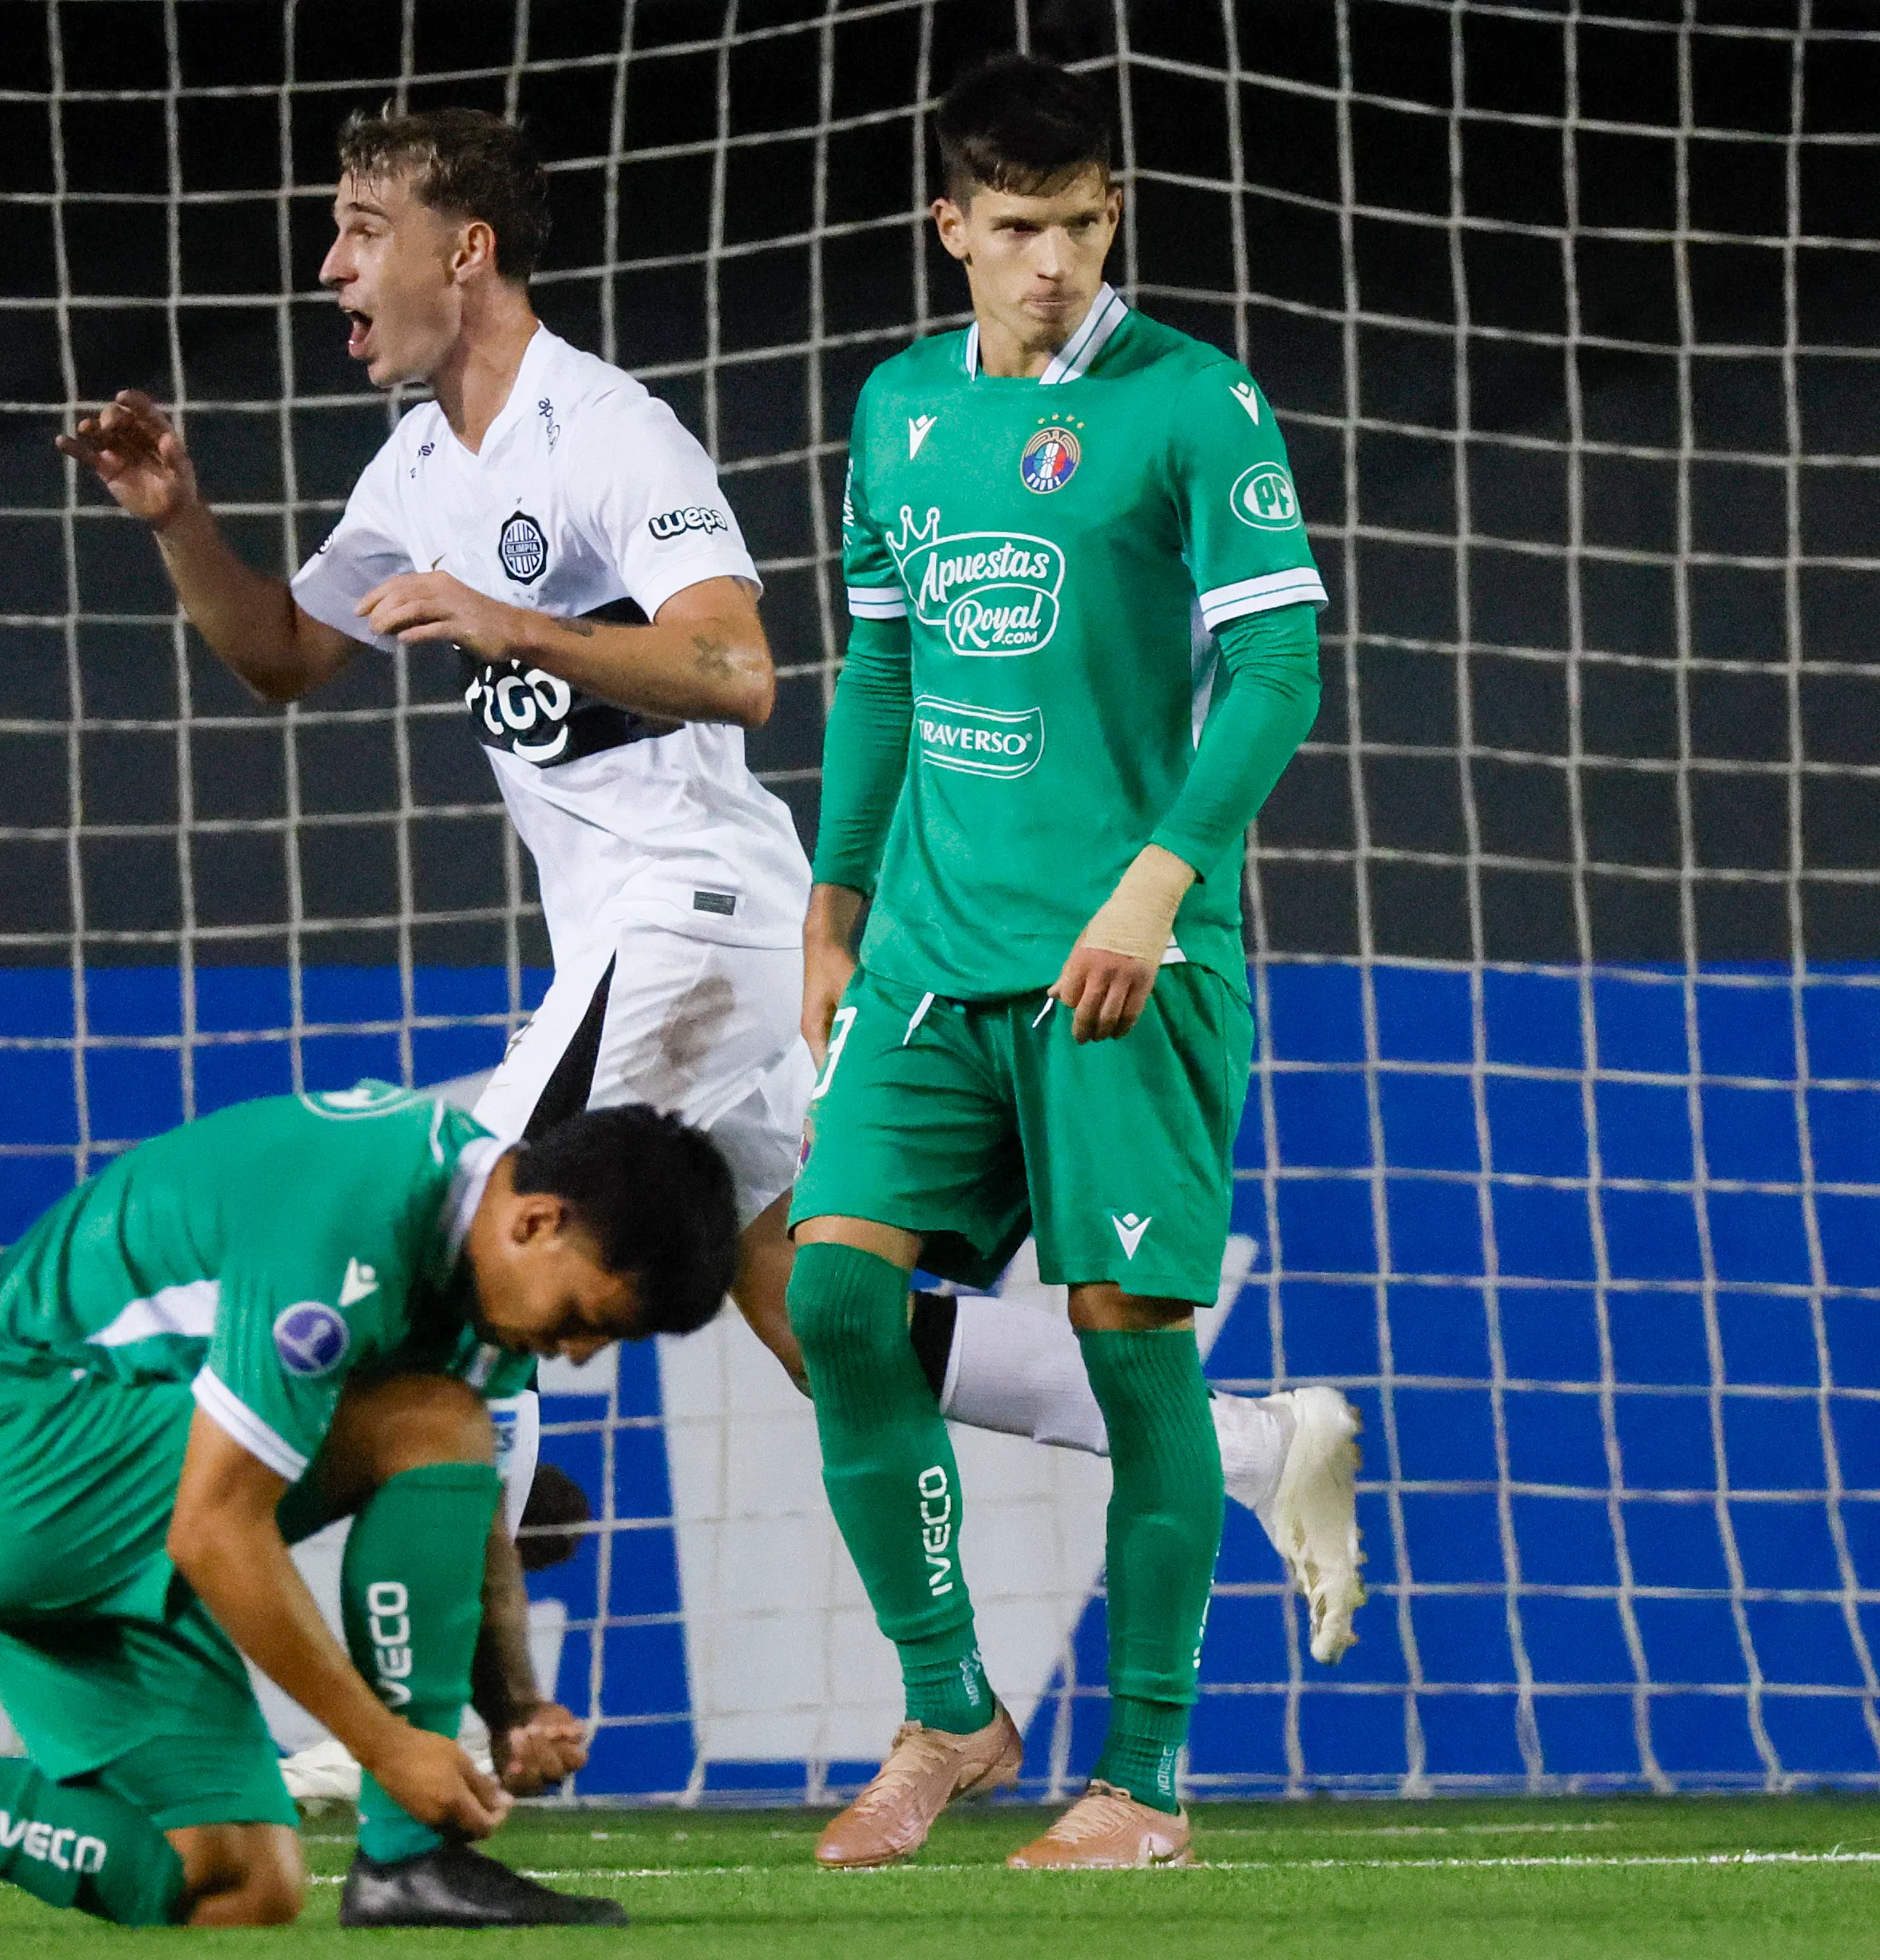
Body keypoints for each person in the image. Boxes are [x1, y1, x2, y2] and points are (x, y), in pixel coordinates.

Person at [56, 97, 1360, 1812]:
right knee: (826, 1318)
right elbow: (285, 655)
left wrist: (521, 624)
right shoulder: (418, 466)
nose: (329, 266)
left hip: (691, 917)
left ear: (464, 251)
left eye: (357, 226)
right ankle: (1264, 1445)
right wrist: (174, 519)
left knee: (470, 1233)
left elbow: (741, 672)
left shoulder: (606, 435)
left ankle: (433, 1716)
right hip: (671, 936)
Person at [790, 53, 1335, 1871]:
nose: (1055, 263)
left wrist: (1158, 883)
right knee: (839, 1300)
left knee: (1132, 1357)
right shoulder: (896, 414)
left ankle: (1144, 1784)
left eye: (1084, 225)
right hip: (935, 958)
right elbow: (878, 671)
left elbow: (1277, 674)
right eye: (1018, 228)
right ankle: (949, 1704)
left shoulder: (1197, 403)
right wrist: (833, 902)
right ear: (950, 227)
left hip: (1129, 961)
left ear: (1115, 218)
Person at [0, 1087, 736, 1930]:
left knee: (237, 1882)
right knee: (432, 1418)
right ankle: (407, 1857)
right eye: (583, 1321)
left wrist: (511, 1706)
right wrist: (385, 1749)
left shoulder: (485, 1273)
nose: (577, 1353)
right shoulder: (351, 1223)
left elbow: (467, 1501)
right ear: (536, 1221)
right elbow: (216, 1526)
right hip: (16, 1460)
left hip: (89, 1513)